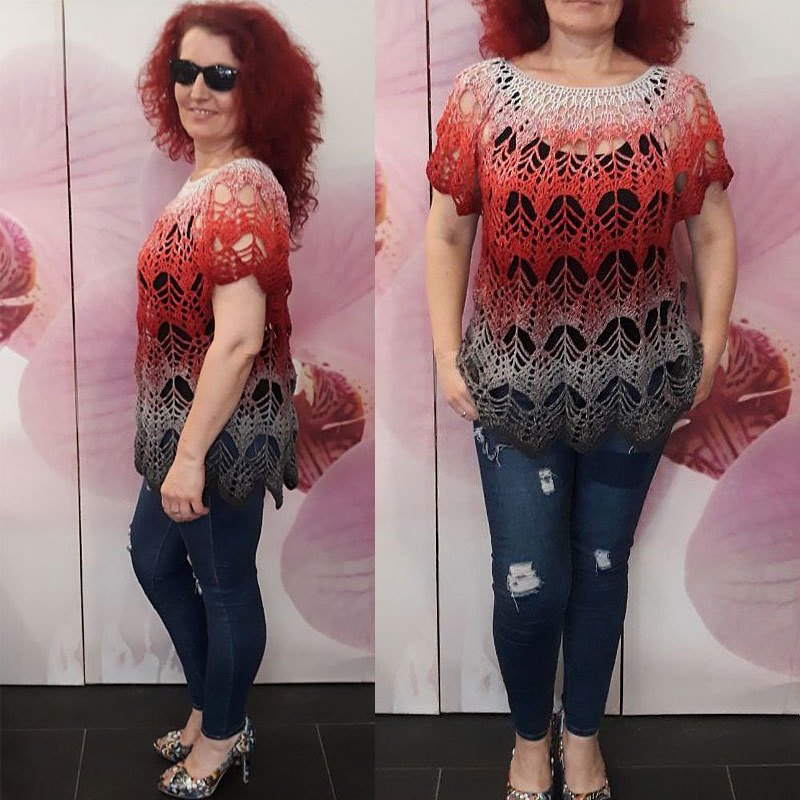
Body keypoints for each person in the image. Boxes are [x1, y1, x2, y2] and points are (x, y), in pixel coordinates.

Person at [424, 0, 736, 798]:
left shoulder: (678, 102)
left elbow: (710, 230)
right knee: (529, 586)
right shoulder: (481, 95)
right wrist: (446, 355)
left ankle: (584, 737)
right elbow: (449, 231)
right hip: (510, 382)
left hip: (639, 383)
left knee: (602, 568)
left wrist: (711, 344)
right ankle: (531, 739)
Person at [128, 2, 321, 796]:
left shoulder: (240, 191)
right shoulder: (209, 180)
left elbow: (239, 340)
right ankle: (214, 708)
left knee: (224, 582)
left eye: (220, 75)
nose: (196, 89)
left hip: (220, 435)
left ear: (258, 90)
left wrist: (189, 457)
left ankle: (222, 734)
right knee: (154, 559)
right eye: (185, 71)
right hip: (187, 425)